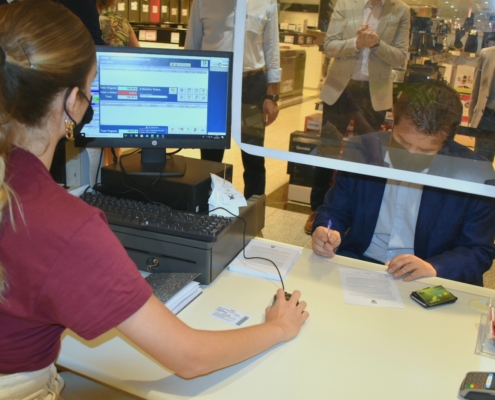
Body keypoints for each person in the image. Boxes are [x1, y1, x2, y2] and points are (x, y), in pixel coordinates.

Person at [0, 2, 308, 398]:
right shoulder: (65, 225)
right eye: (93, 87)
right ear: (73, 103)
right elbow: (190, 357)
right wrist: (278, 327)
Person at [311, 80, 495, 286]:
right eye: (402, 143)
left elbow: (478, 250)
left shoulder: (473, 173)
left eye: (425, 151)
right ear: (391, 124)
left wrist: (435, 267)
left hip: (427, 275)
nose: (410, 156)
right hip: (361, 263)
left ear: (446, 143)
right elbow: (334, 211)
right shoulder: (363, 150)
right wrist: (327, 231)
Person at [304, 0, 410, 234]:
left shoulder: (401, 10)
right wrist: (356, 43)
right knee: (328, 151)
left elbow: (400, 56)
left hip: (374, 95)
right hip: (340, 90)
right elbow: (329, 46)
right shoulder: (345, 3)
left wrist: (376, 44)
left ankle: (356, 213)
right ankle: (318, 209)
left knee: (368, 156)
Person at [184, 0, 281, 199]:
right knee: (211, 154)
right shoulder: (202, 2)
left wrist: (271, 94)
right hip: (215, 83)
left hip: (252, 85)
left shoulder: (266, 2)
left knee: (253, 155)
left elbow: (271, 46)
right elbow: (191, 47)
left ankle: (254, 214)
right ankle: (210, 208)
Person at [469, 45, 495, 162]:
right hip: (488, 117)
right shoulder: (487, 54)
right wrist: (472, 118)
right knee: (482, 161)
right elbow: (476, 89)